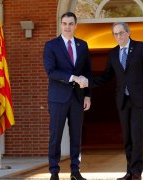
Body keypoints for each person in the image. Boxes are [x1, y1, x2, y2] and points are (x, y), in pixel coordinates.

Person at [93, 22, 143, 180]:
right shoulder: (113, 53)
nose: (118, 36)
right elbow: (107, 76)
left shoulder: (141, 47)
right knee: (127, 138)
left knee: (137, 136)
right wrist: (87, 82)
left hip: (140, 100)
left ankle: (136, 172)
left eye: (121, 33)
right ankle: (129, 171)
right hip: (123, 101)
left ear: (128, 33)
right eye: (115, 34)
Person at [43, 12, 91, 180]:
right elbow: (51, 71)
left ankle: (75, 171)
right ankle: (54, 171)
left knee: (76, 135)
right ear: (61, 24)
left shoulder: (82, 45)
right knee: (55, 135)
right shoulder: (51, 45)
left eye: (71, 23)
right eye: (65, 23)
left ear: (76, 25)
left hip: (78, 98)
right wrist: (72, 78)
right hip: (58, 98)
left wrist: (87, 96)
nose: (67, 27)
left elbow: (87, 72)